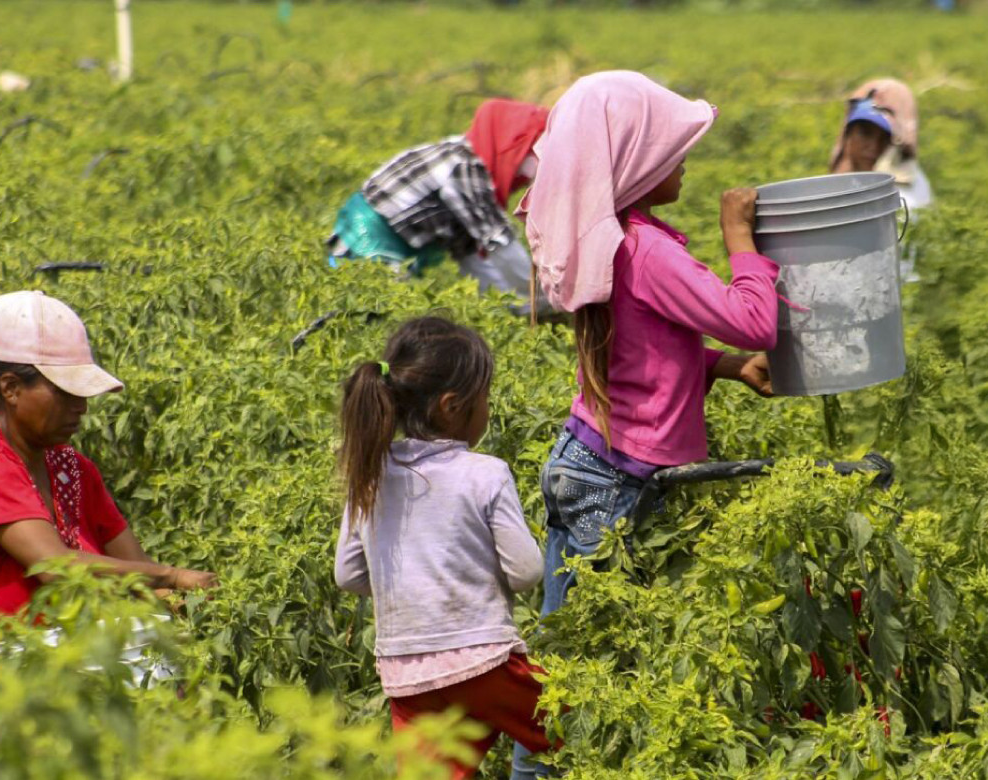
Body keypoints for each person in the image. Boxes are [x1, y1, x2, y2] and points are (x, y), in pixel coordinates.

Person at [517, 70, 780, 618]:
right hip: (618, 478)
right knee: (605, 643)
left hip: (584, 461)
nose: (683, 155)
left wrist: (727, 367)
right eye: (668, 148)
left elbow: (640, 356)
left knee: (569, 640)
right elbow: (755, 323)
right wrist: (739, 237)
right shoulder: (647, 252)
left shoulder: (609, 239)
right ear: (632, 164)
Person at [333, 317, 554, 780]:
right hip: (484, 661)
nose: (488, 408)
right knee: (588, 730)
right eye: (485, 398)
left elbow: (348, 576)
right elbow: (527, 571)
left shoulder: (368, 473)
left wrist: (410, 583)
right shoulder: (485, 472)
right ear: (453, 406)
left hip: (405, 673)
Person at [0, 291, 216, 617]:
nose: (81, 407)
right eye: (65, 392)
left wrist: (197, 607)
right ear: (10, 388)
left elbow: (142, 575)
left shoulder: (72, 468)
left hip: (68, 649)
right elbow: (54, 567)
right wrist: (173, 576)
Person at [325, 99, 550, 312]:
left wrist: (516, 305)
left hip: (391, 236)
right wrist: (549, 296)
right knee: (377, 309)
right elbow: (499, 243)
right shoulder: (465, 166)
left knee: (388, 310)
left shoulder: (474, 170)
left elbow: (474, 257)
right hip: (371, 233)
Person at [829, 78, 932, 212]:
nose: (873, 147)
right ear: (847, 134)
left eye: (885, 137)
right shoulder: (836, 185)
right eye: (865, 133)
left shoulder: (905, 194)